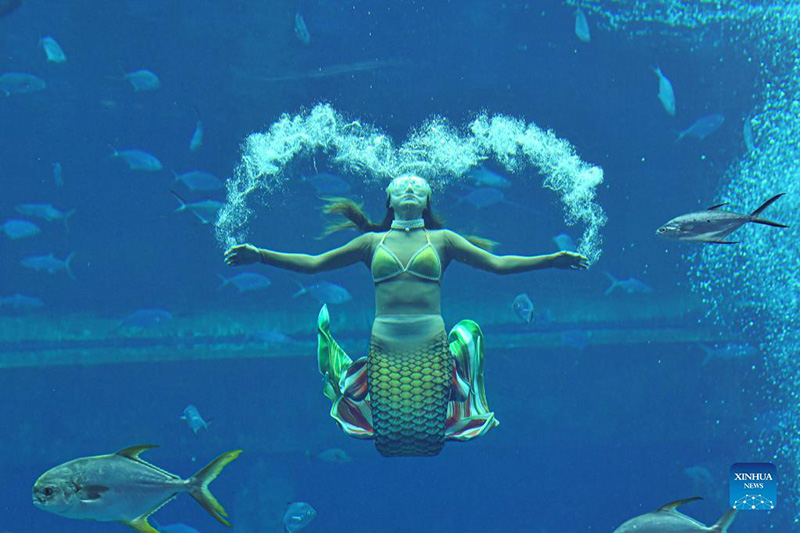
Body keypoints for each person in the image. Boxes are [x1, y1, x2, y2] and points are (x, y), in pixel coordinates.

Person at [224, 175, 589, 457]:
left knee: (427, 421)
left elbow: (497, 264)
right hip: (385, 347)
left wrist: (551, 260)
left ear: (428, 200)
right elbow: (315, 264)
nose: (410, 189)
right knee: (392, 423)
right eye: (401, 187)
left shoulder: (443, 240)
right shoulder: (371, 243)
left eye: (418, 187)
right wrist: (261, 255)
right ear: (390, 200)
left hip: (430, 346)